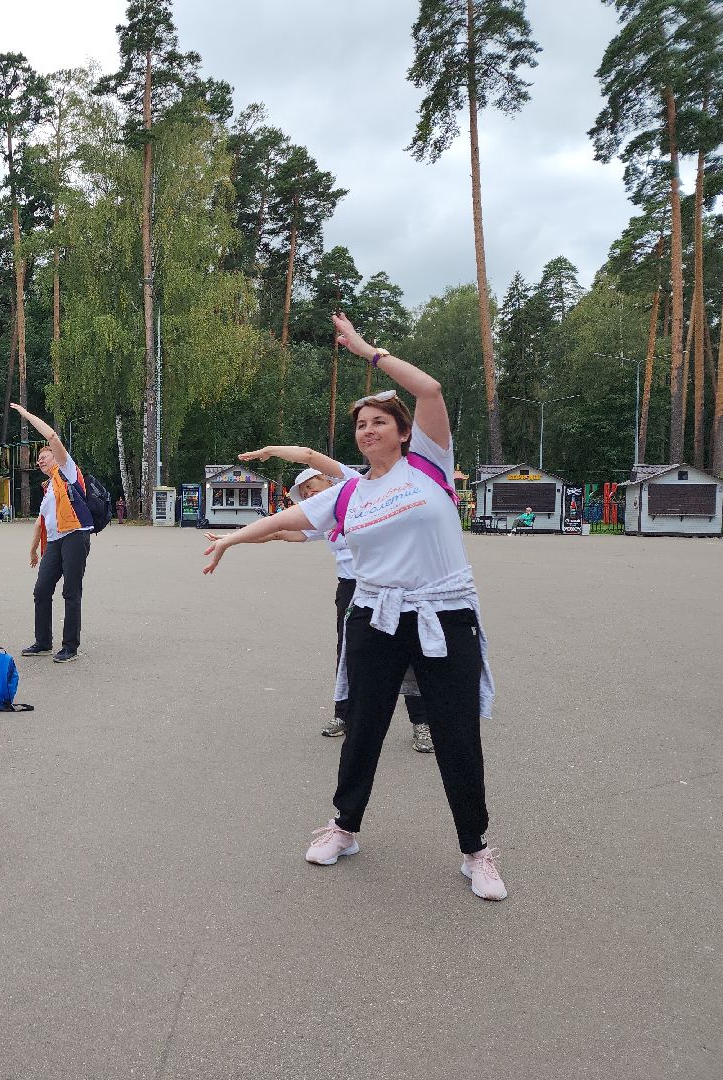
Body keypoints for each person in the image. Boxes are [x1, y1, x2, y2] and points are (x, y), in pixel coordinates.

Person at [203, 312, 503, 901]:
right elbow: (288, 518)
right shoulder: (348, 494)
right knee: (363, 726)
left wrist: (368, 352)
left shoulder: (430, 465)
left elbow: (430, 389)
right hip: (375, 617)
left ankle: (477, 851)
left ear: (403, 431)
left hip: (444, 616)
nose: (368, 430)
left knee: (456, 734)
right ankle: (344, 827)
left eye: (379, 421)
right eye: (361, 425)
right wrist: (232, 539)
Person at [242, 445, 434, 754]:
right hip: (350, 588)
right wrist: (234, 539)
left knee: (405, 651)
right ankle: (344, 715)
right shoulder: (326, 515)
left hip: (389, 584)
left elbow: (308, 455)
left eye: (311, 484)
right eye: (304, 492)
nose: (309, 492)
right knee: (348, 652)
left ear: (327, 479)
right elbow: (282, 532)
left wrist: (270, 451)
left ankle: (422, 723)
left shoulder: (353, 484)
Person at [15, 403, 93, 664]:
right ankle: (43, 642)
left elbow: (51, 436)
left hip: (75, 536)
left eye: (44, 456)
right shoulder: (48, 488)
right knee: (41, 590)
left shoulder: (67, 470)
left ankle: (70, 646)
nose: (40, 460)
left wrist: (26, 415)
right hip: (56, 542)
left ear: (56, 458)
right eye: (38, 459)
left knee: (71, 591)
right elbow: (41, 523)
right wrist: (32, 550)